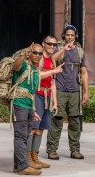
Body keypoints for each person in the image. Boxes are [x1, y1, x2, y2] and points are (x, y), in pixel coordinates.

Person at [12, 43, 57, 175]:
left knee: (24, 136)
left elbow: (32, 92)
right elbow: (15, 66)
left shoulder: (36, 70)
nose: (37, 55)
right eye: (34, 53)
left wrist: (33, 111)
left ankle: (17, 165)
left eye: (39, 53)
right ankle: (23, 167)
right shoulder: (24, 65)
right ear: (30, 53)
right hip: (19, 104)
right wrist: (24, 54)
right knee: (20, 136)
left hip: (28, 105)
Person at [47, 25, 89, 160]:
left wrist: (86, 92)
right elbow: (52, 59)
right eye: (68, 35)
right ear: (64, 35)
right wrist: (64, 49)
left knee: (75, 121)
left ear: (75, 36)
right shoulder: (58, 48)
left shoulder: (80, 51)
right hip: (59, 89)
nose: (70, 37)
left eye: (72, 35)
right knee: (57, 119)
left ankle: (75, 150)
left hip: (75, 90)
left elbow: (84, 73)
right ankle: (52, 150)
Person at [27, 35, 63, 169]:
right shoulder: (39, 58)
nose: (52, 47)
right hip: (37, 94)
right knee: (33, 128)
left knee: (41, 129)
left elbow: (53, 82)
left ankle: (35, 157)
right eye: (49, 44)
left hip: (48, 97)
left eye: (54, 44)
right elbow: (36, 74)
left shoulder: (53, 60)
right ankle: (28, 157)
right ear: (43, 44)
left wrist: (55, 102)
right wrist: (54, 70)